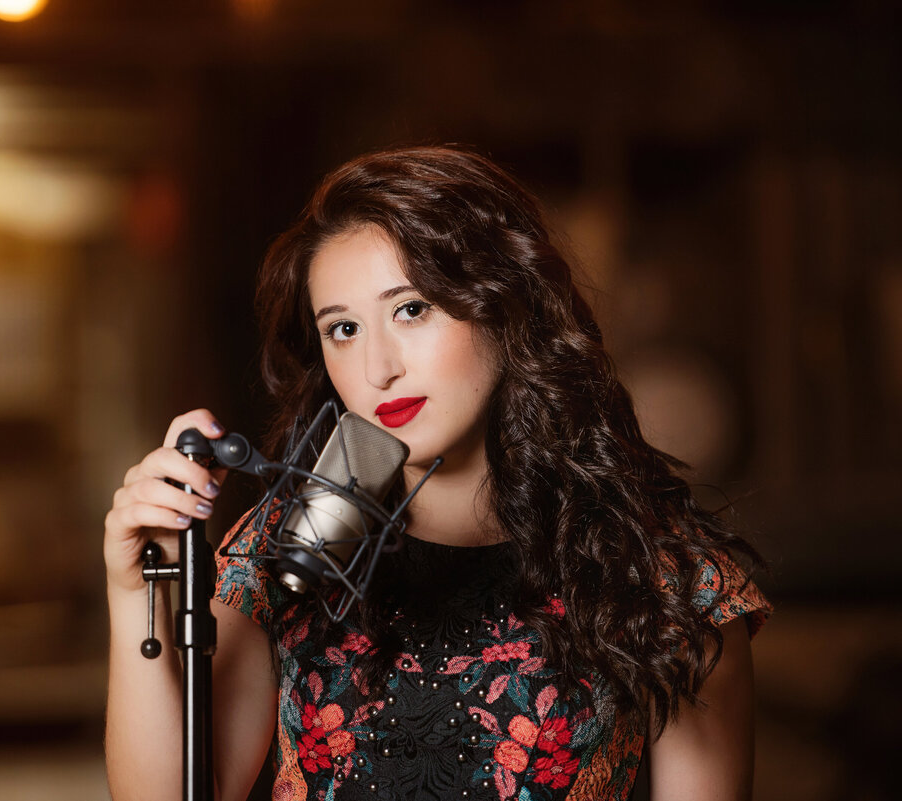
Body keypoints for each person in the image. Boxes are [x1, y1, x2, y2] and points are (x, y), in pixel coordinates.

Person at [104, 146, 770, 801]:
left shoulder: (668, 576)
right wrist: (134, 589)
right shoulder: (284, 551)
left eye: (411, 309)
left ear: (504, 303)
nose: (378, 367)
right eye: (342, 329)